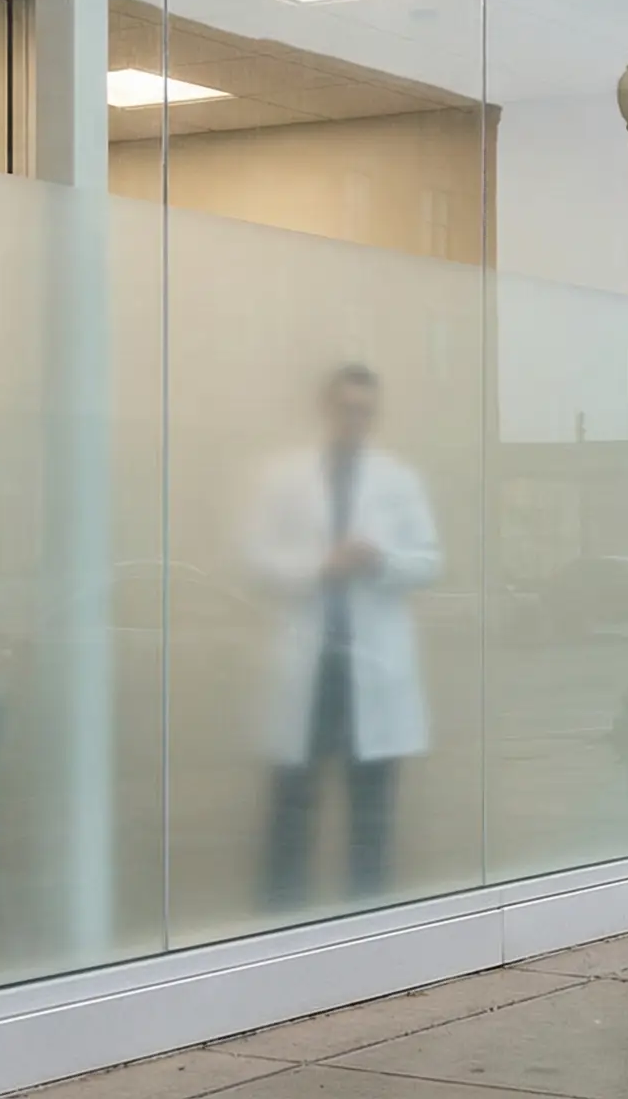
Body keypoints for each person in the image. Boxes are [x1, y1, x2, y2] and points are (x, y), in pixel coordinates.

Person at [246, 363, 439, 910]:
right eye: (346, 408)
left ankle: (366, 927)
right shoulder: (283, 477)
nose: (356, 418)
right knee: (291, 809)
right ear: (326, 409)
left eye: (366, 410)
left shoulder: (398, 480)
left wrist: (380, 560)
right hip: (309, 668)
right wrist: (319, 565)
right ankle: (280, 929)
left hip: (371, 673)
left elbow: (428, 562)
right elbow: (253, 559)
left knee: (370, 816)